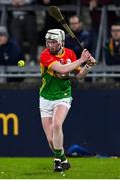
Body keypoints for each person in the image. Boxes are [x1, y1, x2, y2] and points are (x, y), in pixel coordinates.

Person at [39, 29, 96, 172]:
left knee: (57, 124)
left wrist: (88, 66)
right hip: (45, 98)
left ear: (61, 42)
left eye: (54, 42)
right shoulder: (45, 55)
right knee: (51, 140)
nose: (50, 45)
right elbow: (63, 70)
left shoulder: (70, 54)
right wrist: (82, 60)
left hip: (63, 95)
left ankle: (57, 161)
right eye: (49, 42)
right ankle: (62, 158)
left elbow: (79, 76)